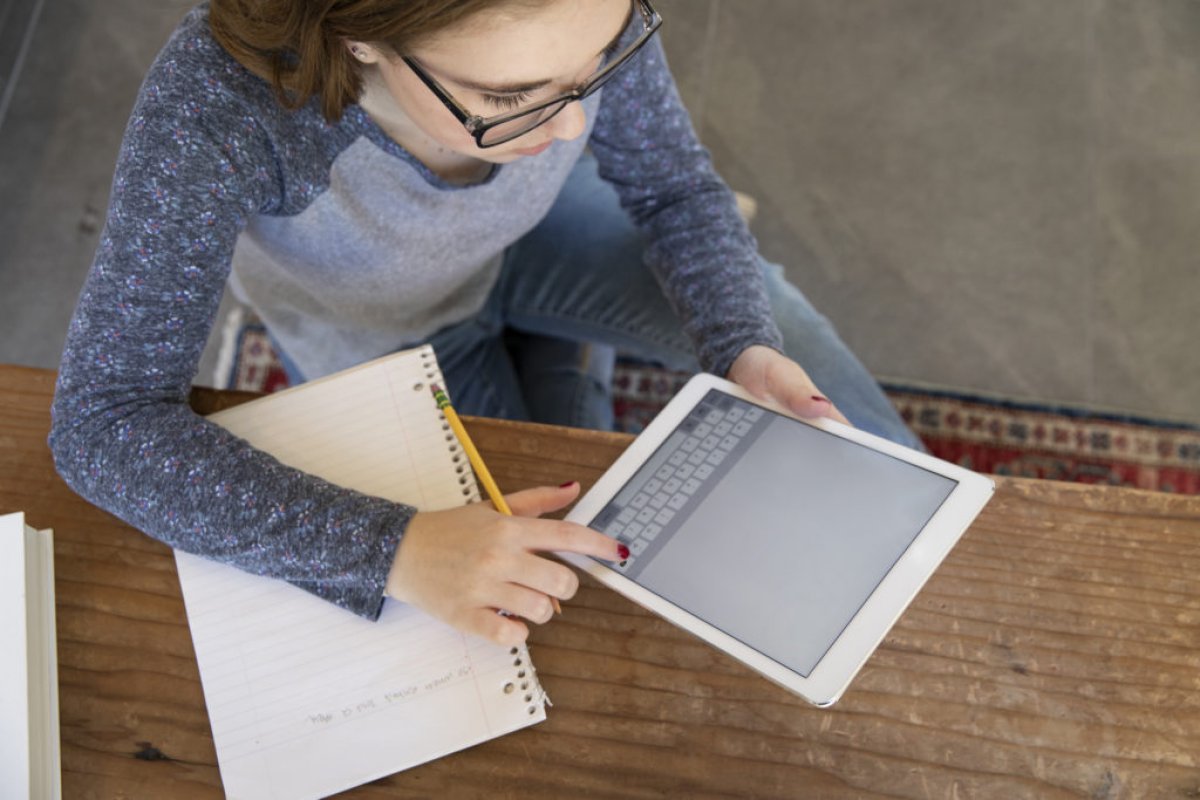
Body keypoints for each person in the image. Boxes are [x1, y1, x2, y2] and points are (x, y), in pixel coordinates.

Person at [50, 0, 921, 647]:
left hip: (539, 231)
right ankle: (564, 356)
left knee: (803, 367)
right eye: (516, 95)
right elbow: (104, 423)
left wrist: (743, 340)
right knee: (570, 559)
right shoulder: (220, 103)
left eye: (595, 66)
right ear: (358, 35)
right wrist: (396, 548)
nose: (575, 119)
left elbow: (675, 189)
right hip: (389, 334)